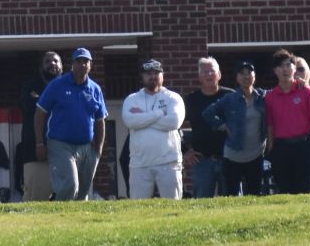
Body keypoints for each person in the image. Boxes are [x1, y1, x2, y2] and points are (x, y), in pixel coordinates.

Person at [36, 48, 107, 201]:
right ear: (72, 65)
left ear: (90, 65)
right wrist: (40, 143)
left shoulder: (95, 89)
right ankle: (57, 216)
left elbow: (100, 120)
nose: (82, 65)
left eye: (86, 61)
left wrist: (99, 149)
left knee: (82, 192)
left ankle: (77, 222)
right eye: (79, 61)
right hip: (60, 144)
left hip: (87, 147)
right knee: (70, 184)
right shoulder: (57, 85)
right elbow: (40, 114)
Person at [199, 60, 267, 196]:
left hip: (256, 154)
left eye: (249, 73)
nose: (246, 77)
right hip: (233, 155)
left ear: (255, 76)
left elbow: (282, 91)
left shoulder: (263, 97)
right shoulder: (229, 99)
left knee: (255, 195)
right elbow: (208, 113)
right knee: (231, 196)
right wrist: (223, 126)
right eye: (242, 74)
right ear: (237, 78)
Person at [120, 59, 186, 199]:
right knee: (138, 210)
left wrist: (142, 119)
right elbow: (130, 121)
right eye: (148, 73)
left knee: (172, 207)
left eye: (156, 73)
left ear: (163, 75)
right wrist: (159, 113)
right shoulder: (132, 99)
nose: (152, 76)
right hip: (140, 164)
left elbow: (174, 122)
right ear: (142, 77)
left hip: (168, 162)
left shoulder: (173, 98)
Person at [261, 49, 310, 194]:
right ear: (275, 70)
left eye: (289, 65)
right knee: (284, 189)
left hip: (303, 145)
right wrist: (271, 150)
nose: (285, 69)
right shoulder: (270, 97)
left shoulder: (306, 92)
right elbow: (270, 127)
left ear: (294, 68)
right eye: (281, 66)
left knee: (305, 189)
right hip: (281, 148)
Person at [16, 51, 63, 202]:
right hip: (35, 151)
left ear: (61, 66)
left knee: (66, 197)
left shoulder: (69, 87)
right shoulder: (30, 86)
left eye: (56, 61)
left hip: (64, 151)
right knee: (35, 198)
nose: (52, 64)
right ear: (41, 67)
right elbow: (30, 108)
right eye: (48, 62)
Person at [183, 57, 231, 199]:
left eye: (212, 71)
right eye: (204, 72)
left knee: (232, 202)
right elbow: (172, 127)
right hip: (202, 161)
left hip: (229, 159)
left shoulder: (231, 97)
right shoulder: (191, 101)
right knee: (201, 203)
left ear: (219, 75)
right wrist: (185, 150)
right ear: (199, 77)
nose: (209, 75)